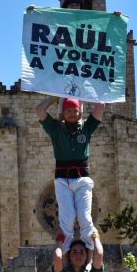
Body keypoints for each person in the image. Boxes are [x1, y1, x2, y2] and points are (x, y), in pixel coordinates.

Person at [36, 97, 105, 253]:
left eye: (75, 110)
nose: (72, 114)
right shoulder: (55, 128)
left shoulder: (87, 127)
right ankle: (66, 252)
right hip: (62, 181)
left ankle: (90, 250)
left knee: (84, 217)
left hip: (82, 180)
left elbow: (101, 107)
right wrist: (55, 97)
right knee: (66, 220)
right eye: (68, 111)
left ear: (80, 112)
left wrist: (83, 94)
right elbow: (40, 110)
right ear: (63, 113)